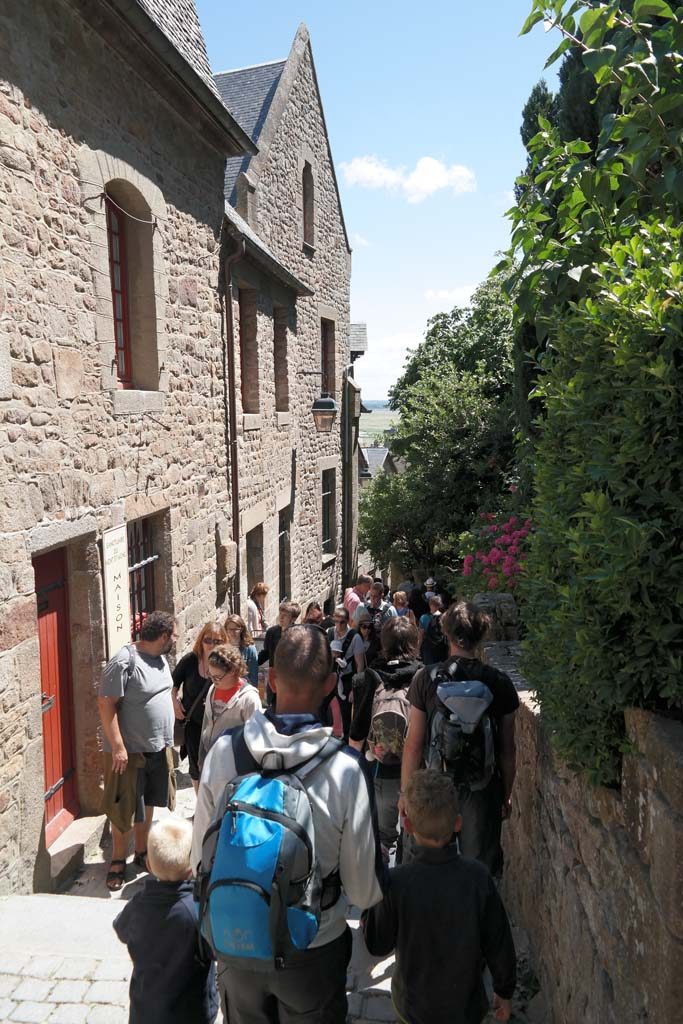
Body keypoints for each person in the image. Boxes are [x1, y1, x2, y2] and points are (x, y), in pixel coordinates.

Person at [192, 624, 384, 1024]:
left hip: (237, 941)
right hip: (313, 946)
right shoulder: (346, 772)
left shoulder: (225, 753)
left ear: (270, 679)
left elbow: (201, 859)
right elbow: (364, 891)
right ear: (331, 684)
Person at [362, 770, 516, 1024]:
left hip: (414, 1006)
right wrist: (504, 990)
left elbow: (377, 943)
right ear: (458, 823)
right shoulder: (478, 878)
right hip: (465, 1007)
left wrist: (372, 896)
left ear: (408, 825)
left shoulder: (397, 882)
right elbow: (498, 941)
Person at [401, 601, 519, 875]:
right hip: (482, 789)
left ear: (447, 634)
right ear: (481, 637)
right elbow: (507, 749)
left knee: (430, 866)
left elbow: (413, 745)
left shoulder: (426, 679)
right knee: (478, 870)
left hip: (435, 787)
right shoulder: (499, 682)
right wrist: (506, 794)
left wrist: (407, 795)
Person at [98, 611, 177, 891]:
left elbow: (164, 693)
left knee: (149, 803)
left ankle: (142, 853)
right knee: (123, 807)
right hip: (129, 753)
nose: (174, 640)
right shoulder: (124, 661)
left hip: (157, 747)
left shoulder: (161, 660)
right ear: (164, 636)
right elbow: (106, 705)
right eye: (173, 635)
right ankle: (118, 860)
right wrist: (118, 746)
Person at [114, 817, 219, 1024]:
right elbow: (214, 950)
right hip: (191, 1012)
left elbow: (121, 929)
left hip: (146, 1011)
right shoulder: (197, 911)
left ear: (149, 866)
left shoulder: (139, 904)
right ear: (192, 865)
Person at [349, 617, 422, 861]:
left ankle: (384, 892)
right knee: (414, 838)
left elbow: (356, 735)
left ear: (383, 643)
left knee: (381, 840)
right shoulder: (424, 677)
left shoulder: (366, 678)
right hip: (416, 773)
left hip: (379, 770)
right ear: (415, 642)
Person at [172, 621, 227, 793]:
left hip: (219, 724)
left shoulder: (226, 662)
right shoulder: (190, 661)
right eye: (208, 640)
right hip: (194, 724)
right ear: (201, 640)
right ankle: (200, 806)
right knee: (196, 767)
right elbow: (171, 684)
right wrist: (174, 702)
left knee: (218, 765)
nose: (211, 645)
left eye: (217, 641)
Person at [198, 644, 262, 768]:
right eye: (210, 675)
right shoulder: (213, 689)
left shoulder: (249, 699)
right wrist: (201, 756)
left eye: (217, 677)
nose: (213, 680)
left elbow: (256, 738)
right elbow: (206, 723)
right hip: (210, 759)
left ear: (233, 671)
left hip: (234, 766)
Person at [325, 605, 366, 740]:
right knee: (322, 707)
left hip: (347, 679)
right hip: (330, 677)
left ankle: (347, 741)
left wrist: (355, 689)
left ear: (348, 621)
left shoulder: (355, 638)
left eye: (342, 622)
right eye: (335, 621)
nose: (338, 625)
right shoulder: (329, 633)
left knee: (346, 713)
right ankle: (323, 737)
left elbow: (360, 665)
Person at [257, 601, 301, 707]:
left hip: (291, 679)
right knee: (273, 706)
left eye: (285, 615)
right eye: (280, 614)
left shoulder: (299, 633)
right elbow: (267, 653)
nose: (281, 617)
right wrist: (253, 662)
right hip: (274, 678)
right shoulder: (272, 632)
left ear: (293, 618)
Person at [223, 613, 259, 686]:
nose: (233, 632)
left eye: (236, 629)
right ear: (226, 630)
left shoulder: (250, 649)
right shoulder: (223, 647)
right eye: (230, 629)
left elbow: (254, 674)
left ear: (241, 629)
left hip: (243, 688)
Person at [418, 593, 449, 666]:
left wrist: (418, 649)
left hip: (428, 648)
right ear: (440, 605)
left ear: (430, 605)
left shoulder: (424, 618)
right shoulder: (445, 618)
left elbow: (421, 635)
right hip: (442, 648)